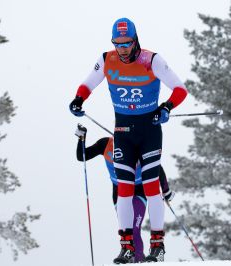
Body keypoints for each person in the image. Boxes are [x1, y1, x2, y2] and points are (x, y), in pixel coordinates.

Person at [69, 17, 187, 263]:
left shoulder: (151, 60)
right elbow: (87, 84)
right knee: (123, 190)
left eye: (126, 43)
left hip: (149, 131)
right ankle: (127, 247)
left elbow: (179, 89)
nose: (121, 49)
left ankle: (158, 245)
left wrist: (166, 107)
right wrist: (79, 99)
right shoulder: (106, 59)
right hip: (122, 131)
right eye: (117, 44)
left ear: (135, 41)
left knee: (151, 186)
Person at [74, 124, 174, 263]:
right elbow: (82, 156)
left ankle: (138, 260)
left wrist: (166, 190)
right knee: (126, 229)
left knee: (134, 228)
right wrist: (81, 138)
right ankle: (131, 255)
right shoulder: (105, 144)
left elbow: (156, 167)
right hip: (119, 191)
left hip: (139, 189)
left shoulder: (137, 146)